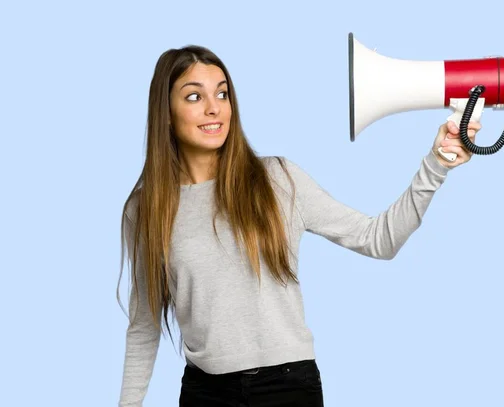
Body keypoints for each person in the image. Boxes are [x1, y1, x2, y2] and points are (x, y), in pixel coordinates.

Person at [116, 44, 481, 407]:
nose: (214, 107)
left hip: (288, 388)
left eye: (222, 93)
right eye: (194, 96)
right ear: (165, 113)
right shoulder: (146, 209)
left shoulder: (278, 179)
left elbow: (379, 240)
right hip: (204, 392)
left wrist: (437, 164)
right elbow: (144, 324)